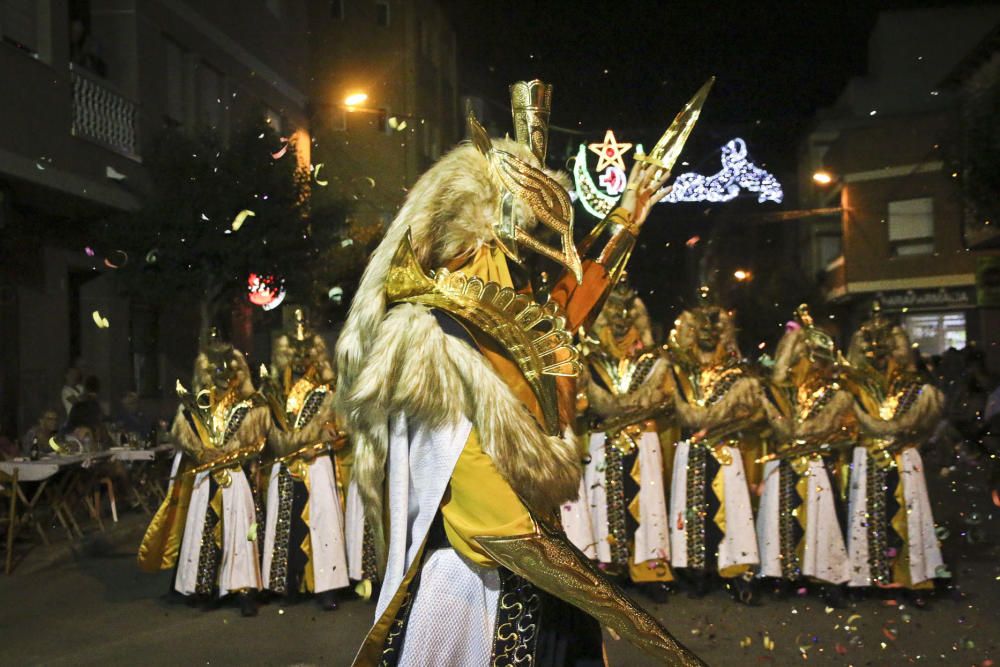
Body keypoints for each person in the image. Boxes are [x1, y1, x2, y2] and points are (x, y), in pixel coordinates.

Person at [336, 80, 705, 665]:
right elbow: (473, 490)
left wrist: (628, 216)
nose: (520, 268)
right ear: (473, 242)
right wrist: (588, 588)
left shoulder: (502, 317)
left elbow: (570, 302)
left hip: (532, 558)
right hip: (477, 571)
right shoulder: (433, 333)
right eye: (508, 252)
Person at [137, 331, 270, 617]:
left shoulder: (250, 404)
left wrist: (234, 451)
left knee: (240, 533)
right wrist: (201, 452)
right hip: (205, 477)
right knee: (202, 530)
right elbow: (183, 433)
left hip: (235, 476)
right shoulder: (196, 404)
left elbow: (257, 438)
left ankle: (243, 588)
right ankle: (203, 586)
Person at [577, 277, 674, 601]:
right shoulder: (589, 361)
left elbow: (668, 403)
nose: (621, 324)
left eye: (627, 315)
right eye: (614, 315)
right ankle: (608, 566)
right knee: (603, 501)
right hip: (604, 442)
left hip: (641, 440)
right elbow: (578, 404)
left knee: (646, 503)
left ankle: (648, 569)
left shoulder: (653, 363)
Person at [844, 303, 947, 606]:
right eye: (871, 348)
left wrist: (902, 440)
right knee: (867, 517)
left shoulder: (915, 385)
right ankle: (870, 577)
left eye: (883, 348)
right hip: (867, 459)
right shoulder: (853, 386)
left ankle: (914, 578)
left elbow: (925, 423)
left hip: (903, 457)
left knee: (910, 516)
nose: (877, 355)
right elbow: (845, 424)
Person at [666, 295, 764, 603]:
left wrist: (726, 425)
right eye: (702, 331)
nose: (708, 337)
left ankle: (733, 571)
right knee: (693, 511)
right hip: (691, 449)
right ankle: (697, 571)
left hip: (724, 449)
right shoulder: (679, 370)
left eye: (714, 331)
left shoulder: (738, 373)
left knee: (730, 510)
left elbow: (753, 414)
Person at [756, 306, 855, 605]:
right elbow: (765, 425)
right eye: (801, 357)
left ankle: (826, 576)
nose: (807, 366)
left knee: (821, 520)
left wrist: (824, 439)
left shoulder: (834, 394)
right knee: (780, 518)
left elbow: (847, 429)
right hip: (784, 462)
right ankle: (783, 574)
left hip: (816, 464)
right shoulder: (777, 392)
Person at [260, 310, 350, 611]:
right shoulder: (273, 388)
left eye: (305, 352)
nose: (300, 359)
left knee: (322, 522)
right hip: (285, 464)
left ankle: (326, 586)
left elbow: (341, 430)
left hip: (317, 464)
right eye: (294, 352)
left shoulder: (328, 388)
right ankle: (288, 584)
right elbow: (266, 430)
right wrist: (285, 445)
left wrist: (325, 438)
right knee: (285, 523)